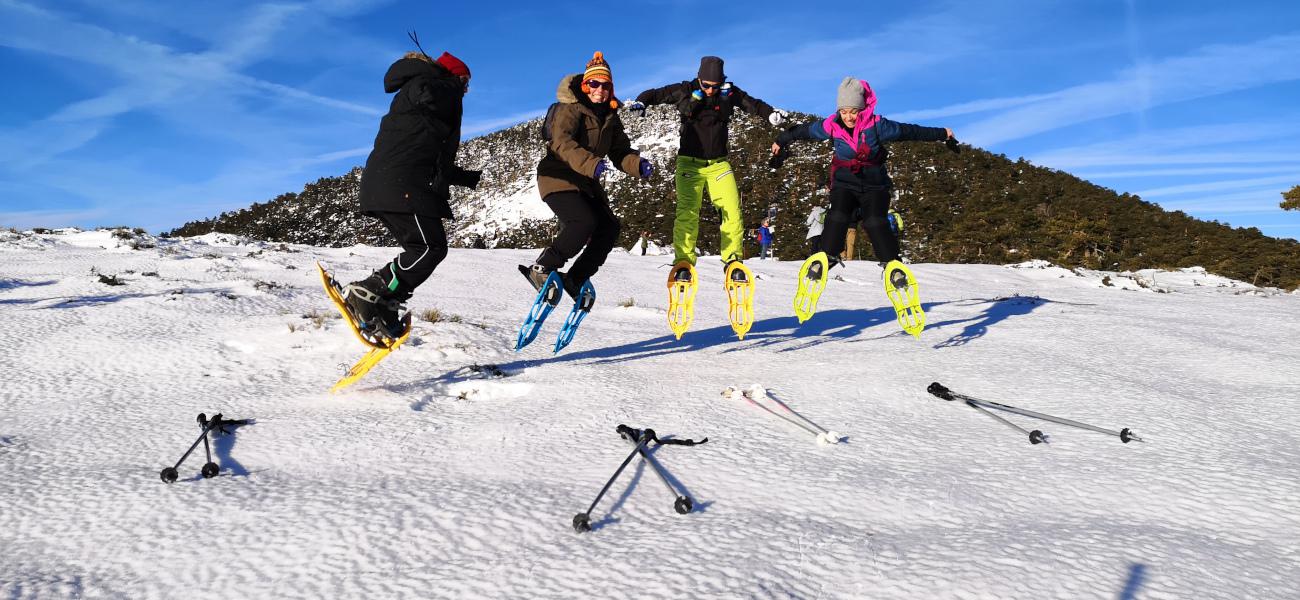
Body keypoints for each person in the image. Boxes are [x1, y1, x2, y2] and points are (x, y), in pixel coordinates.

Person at [343, 50, 480, 338]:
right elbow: (425, 92)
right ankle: (370, 291)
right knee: (429, 248)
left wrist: (465, 177)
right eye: (465, 82)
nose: (466, 90)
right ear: (453, 76)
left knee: (422, 249)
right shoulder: (425, 85)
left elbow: (431, 157)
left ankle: (381, 303)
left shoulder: (421, 102)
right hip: (402, 185)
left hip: (390, 183)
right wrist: (452, 86)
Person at [771, 76, 952, 286]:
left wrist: (942, 134)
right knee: (837, 215)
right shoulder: (831, 126)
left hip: (875, 185)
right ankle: (826, 257)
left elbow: (910, 131)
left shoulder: (877, 126)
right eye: (844, 111)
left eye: (854, 111)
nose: (848, 117)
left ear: (862, 108)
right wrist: (781, 139)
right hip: (844, 183)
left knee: (875, 221)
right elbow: (803, 131)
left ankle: (893, 265)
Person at [627, 56, 787, 283]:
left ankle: (732, 260)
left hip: (719, 164)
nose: (711, 90)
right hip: (689, 164)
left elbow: (753, 104)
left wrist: (770, 114)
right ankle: (683, 262)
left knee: (731, 210)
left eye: (715, 86)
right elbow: (655, 94)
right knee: (687, 212)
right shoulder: (685, 90)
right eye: (706, 86)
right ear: (699, 79)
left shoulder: (729, 93)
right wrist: (641, 103)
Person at [524, 51, 652, 299]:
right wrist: (590, 162)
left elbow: (620, 151)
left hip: (585, 181)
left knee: (609, 227)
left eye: (605, 85)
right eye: (594, 83)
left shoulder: (610, 117)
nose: (599, 90)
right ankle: (541, 268)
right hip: (557, 175)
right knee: (582, 222)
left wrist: (637, 165)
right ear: (585, 85)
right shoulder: (570, 109)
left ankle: (575, 279)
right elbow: (561, 143)